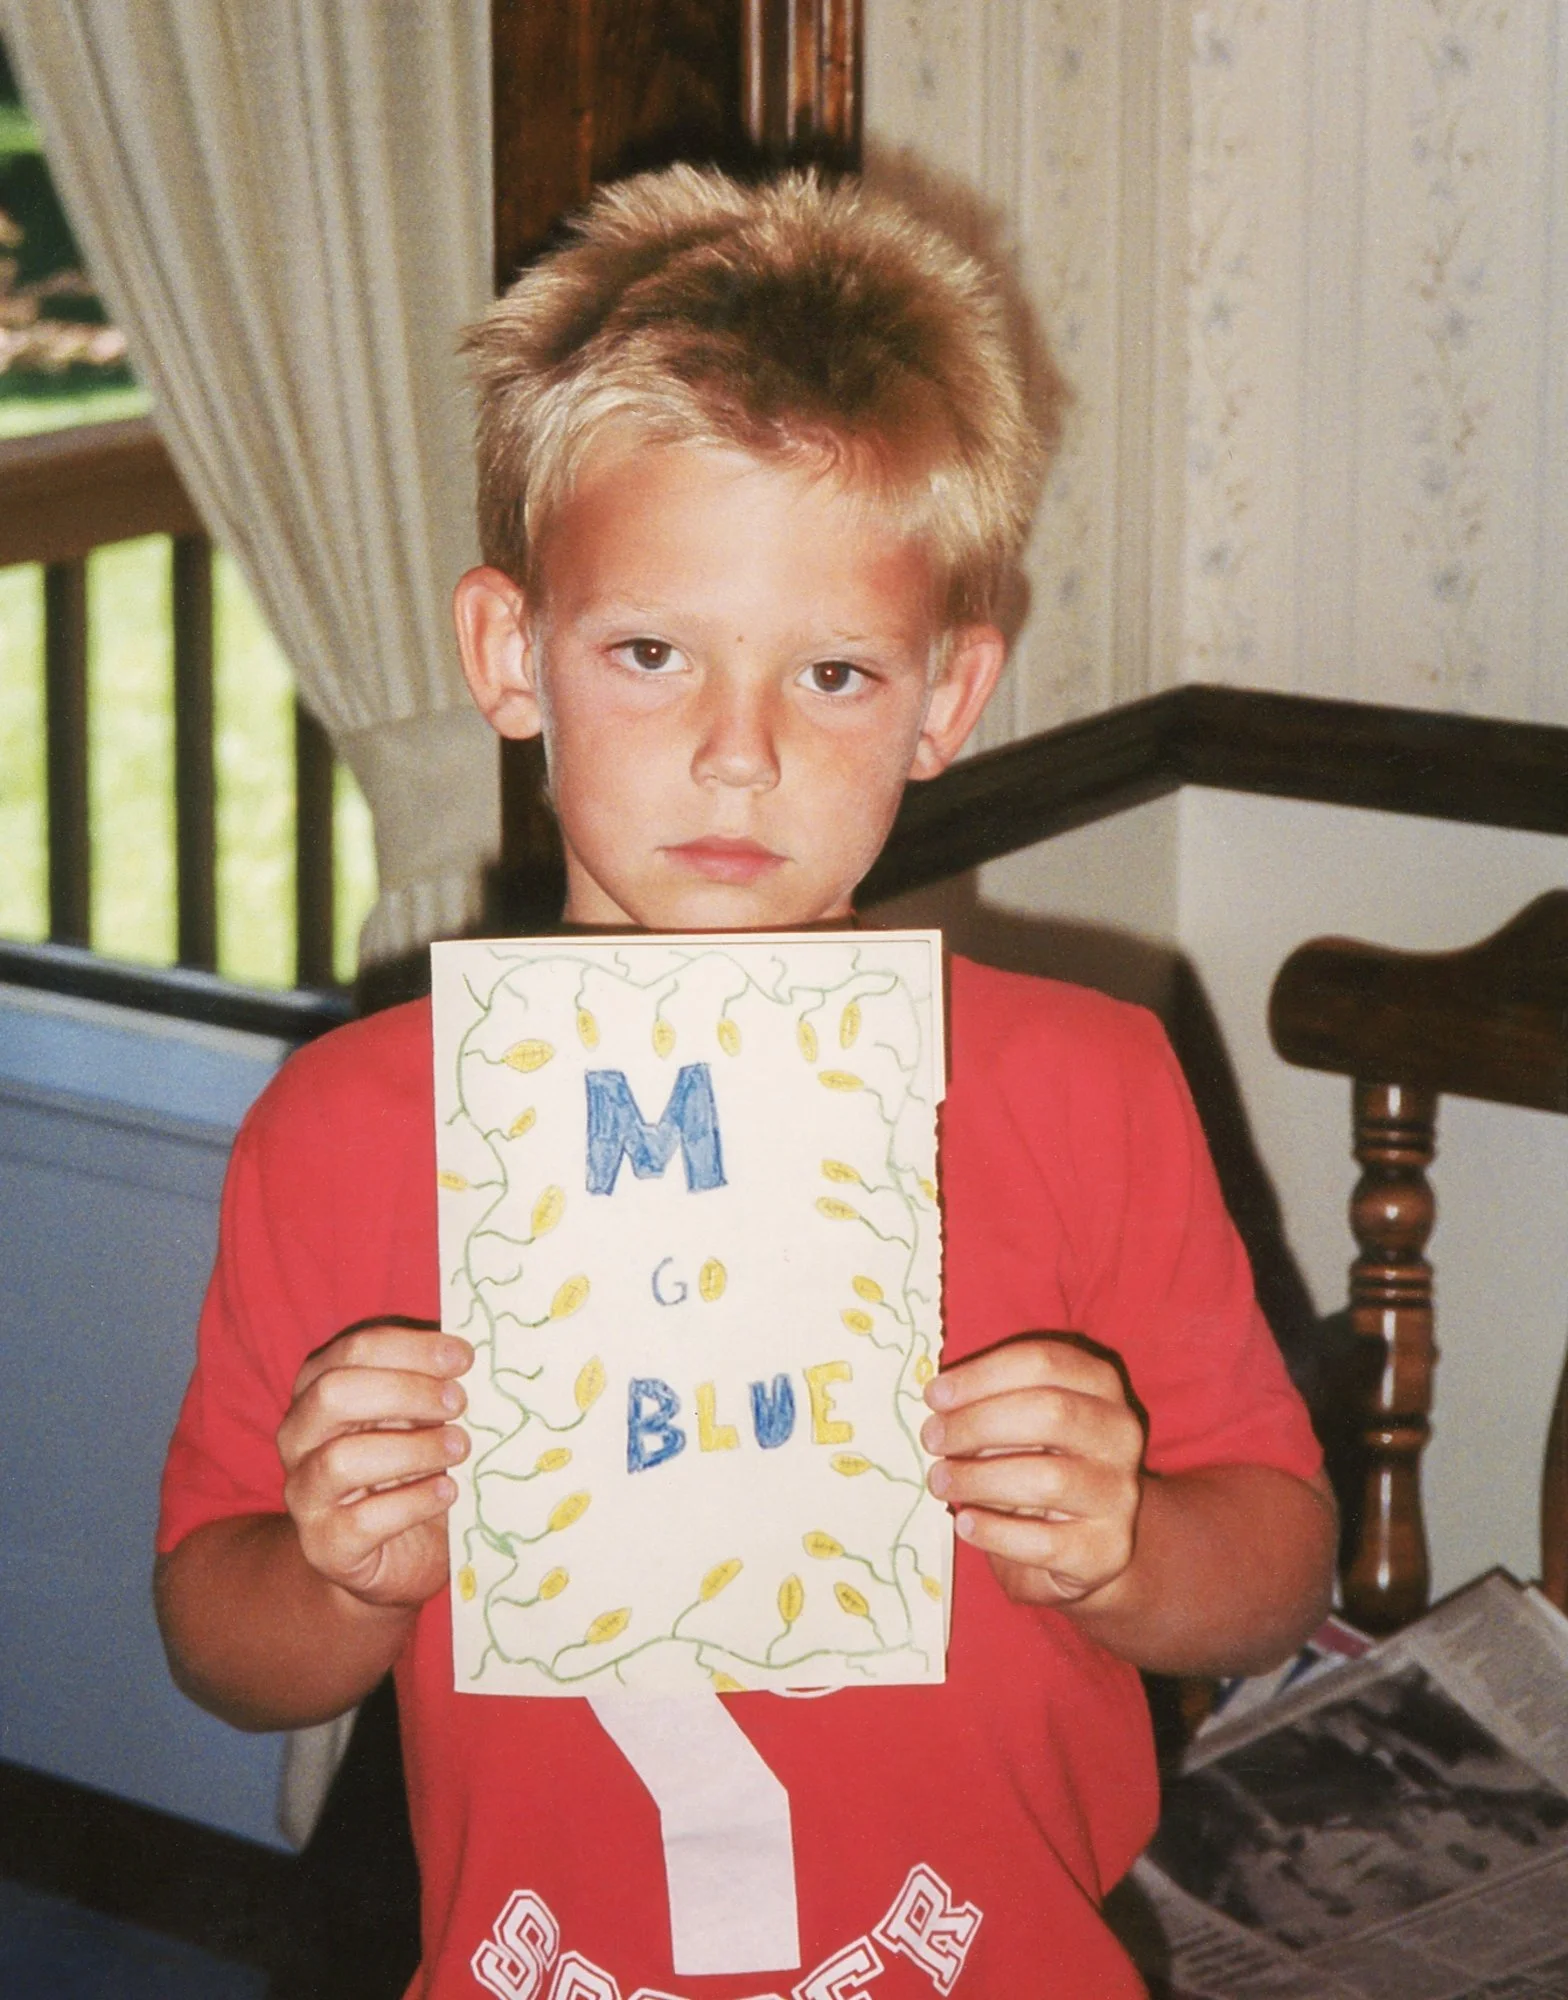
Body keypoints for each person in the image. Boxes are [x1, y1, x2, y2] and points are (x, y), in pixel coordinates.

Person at [155, 166, 1335, 1998]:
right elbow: (218, 1637)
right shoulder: (348, 1126)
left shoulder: (1088, 1083)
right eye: (651, 654)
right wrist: (336, 1575)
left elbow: (1273, 1571)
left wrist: (1129, 1548)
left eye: (836, 674)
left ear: (947, 701)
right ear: (511, 656)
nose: (737, 754)